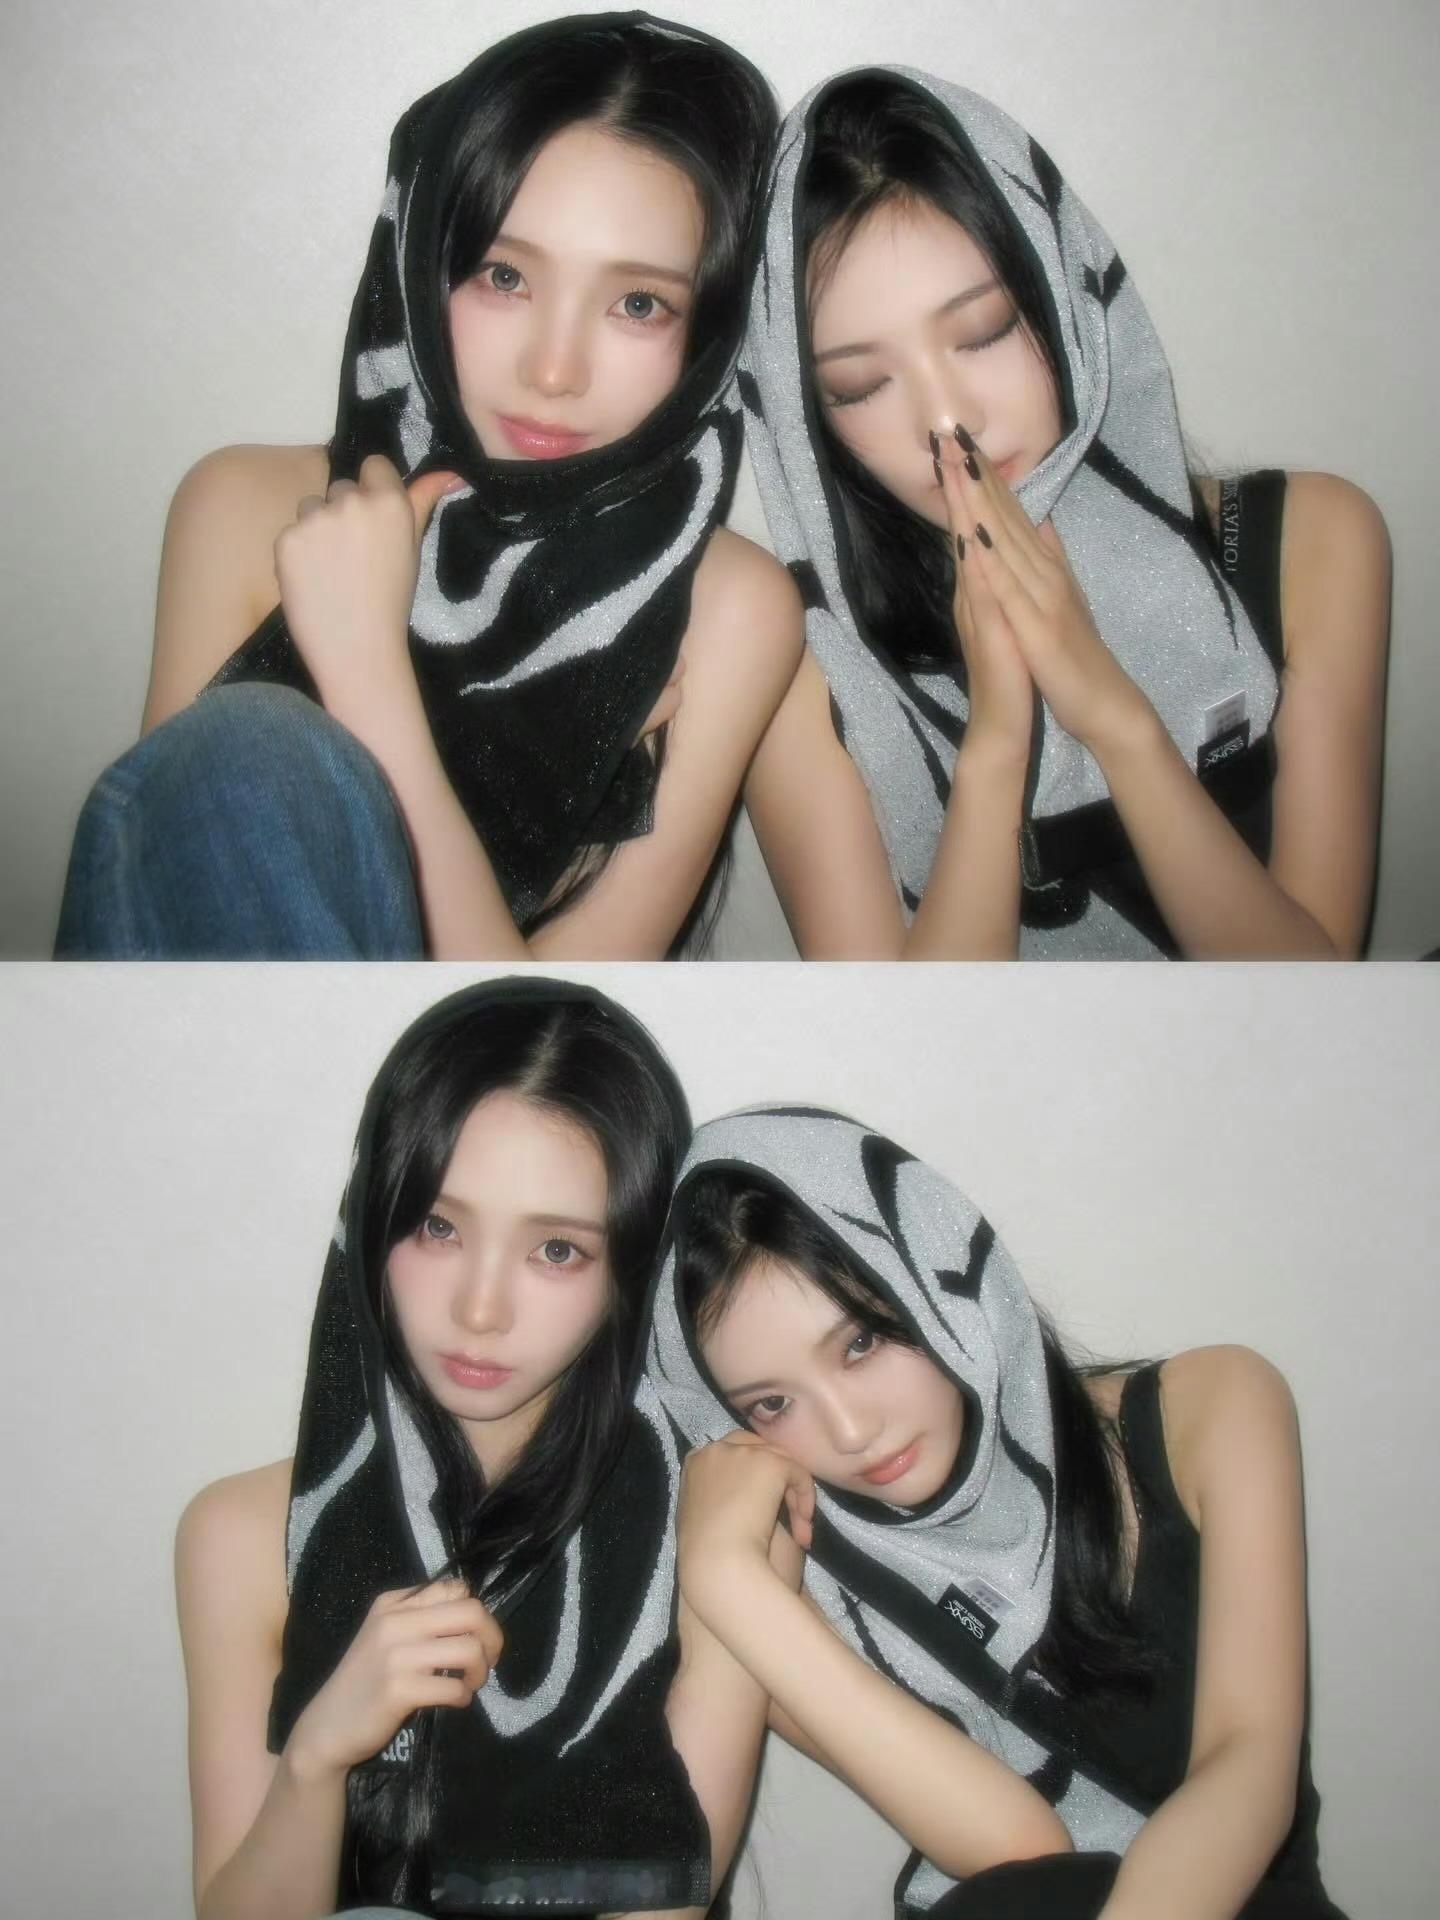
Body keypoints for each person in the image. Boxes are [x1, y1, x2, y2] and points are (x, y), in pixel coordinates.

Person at [57, 14, 801, 960]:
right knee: (251, 746)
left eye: (638, 303)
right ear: (420, 264)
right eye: (504, 275)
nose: (554, 370)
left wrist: (369, 675)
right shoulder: (240, 509)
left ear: (711, 332)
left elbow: (525, 1020)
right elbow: (175, 923)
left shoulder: (724, 609)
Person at [739, 71, 1390, 957]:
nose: (948, 422)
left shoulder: (1314, 542)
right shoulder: (799, 670)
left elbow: (1314, 992)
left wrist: (1116, 720)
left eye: (985, 331)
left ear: (1062, 295)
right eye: (859, 385)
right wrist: (995, 750)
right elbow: (910, 1029)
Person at [648, 1105, 1346, 1918]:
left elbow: (1247, 1764)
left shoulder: (1212, 1410)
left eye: (862, 1343)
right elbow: (1019, 1849)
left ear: (936, 1277)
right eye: (772, 1404)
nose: (850, 1432)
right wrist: (724, 1577)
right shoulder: (786, 1580)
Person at [175, 980, 768, 1918]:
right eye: (438, 1227)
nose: (480, 1310)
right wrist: (319, 1753)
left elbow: (666, 1910)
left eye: (557, 1250)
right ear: (371, 1221)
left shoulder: (709, 1527)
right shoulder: (243, 1535)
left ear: (631, 1272)